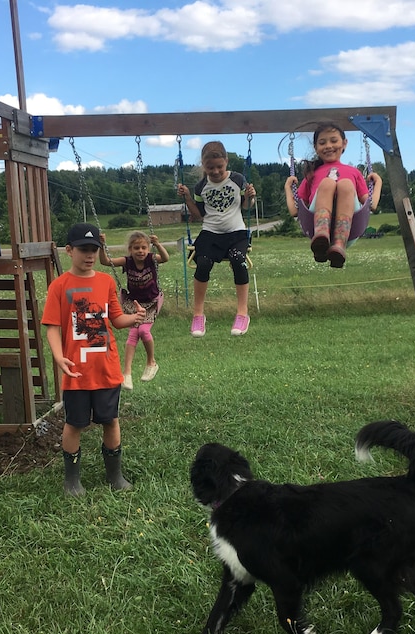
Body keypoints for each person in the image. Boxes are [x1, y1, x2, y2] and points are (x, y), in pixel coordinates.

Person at [42, 222, 146, 497]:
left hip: (106, 368)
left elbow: (115, 319)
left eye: (93, 250)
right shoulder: (58, 286)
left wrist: (133, 318)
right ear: (69, 250)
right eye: (83, 250)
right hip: (76, 372)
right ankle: (72, 481)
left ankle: (115, 476)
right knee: (74, 424)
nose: (89, 256)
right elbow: (51, 325)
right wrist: (59, 356)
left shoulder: (106, 281)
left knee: (110, 420)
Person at [177, 141, 256, 337]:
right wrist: (187, 197)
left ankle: (242, 313)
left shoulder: (238, 179)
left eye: (219, 167)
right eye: (210, 167)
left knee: (239, 259)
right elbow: (199, 214)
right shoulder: (200, 186)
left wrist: (250, 196)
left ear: (226, 162)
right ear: (204, 165)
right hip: (210, 232)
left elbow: (246, 207)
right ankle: (198, 315)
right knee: (203, 263)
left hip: (236, 231)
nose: (215, 171)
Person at [284, 122, 383, 268]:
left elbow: (371, 205)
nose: (328, 145)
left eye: (334, 140)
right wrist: (288, 187)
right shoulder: (312, 174)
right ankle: (322, 236)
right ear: (316, 148)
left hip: (349, 232)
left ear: (344, 143)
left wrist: (378, 182)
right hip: (314, 227)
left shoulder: (354, 173)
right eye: (322, 142)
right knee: (328, 183)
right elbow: (295, 211)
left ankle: (338, 244)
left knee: (345, 184)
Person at [99, 231, 170, 389]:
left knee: (143, 332)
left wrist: (157, 244)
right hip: (134, 303)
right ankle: (127, 373)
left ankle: (151, 362)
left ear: (148, 248)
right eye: (136, 248)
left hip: (151, 303)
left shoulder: (152, 259)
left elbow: (165, 258)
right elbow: (106, 262)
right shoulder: (127, 261)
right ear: (130, 249)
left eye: (144, 247)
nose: (140, 251)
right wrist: (102, 245)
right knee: (133, 333)